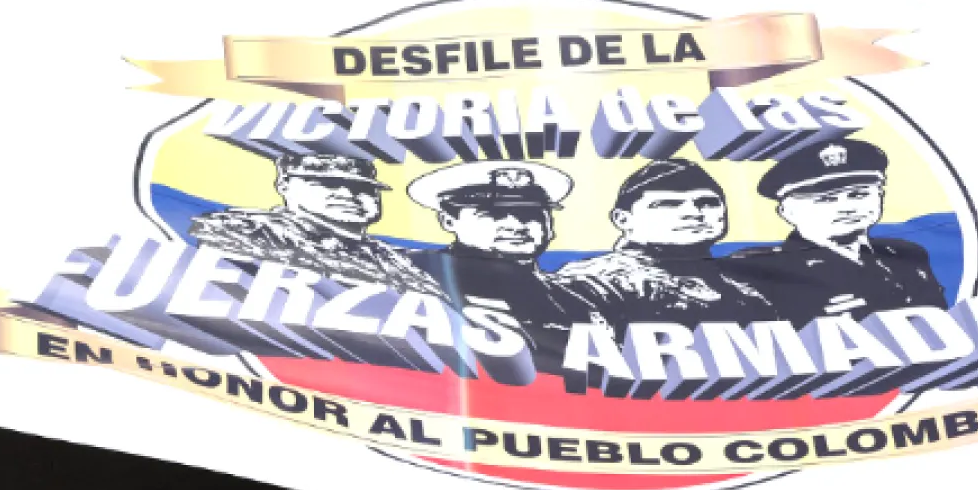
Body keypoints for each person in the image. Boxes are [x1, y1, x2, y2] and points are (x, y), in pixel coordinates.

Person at [728, 138, 947, 326]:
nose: (847, 208)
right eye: (826, 199)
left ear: (880, 196)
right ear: (787, 212)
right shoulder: (756, 268)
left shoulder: (905, 254)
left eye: (859, 195)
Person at [405, 161, 601, 366]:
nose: (516, 225)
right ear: (448, 221)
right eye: (493, 214)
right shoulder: (410, 275)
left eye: (530, 214)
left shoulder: (575, 307)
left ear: (549, 224)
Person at [552, 159, 769, 331]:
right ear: (623, 220)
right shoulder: (587, 282)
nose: (693, 213)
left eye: (707, 203)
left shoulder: (745, 290)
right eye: (667, 204)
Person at [188, 152, 439, 298]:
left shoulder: (398, 260)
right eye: (326, 183)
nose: (346, 194)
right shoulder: (245, 231)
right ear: (284, 187)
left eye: (362, 188)